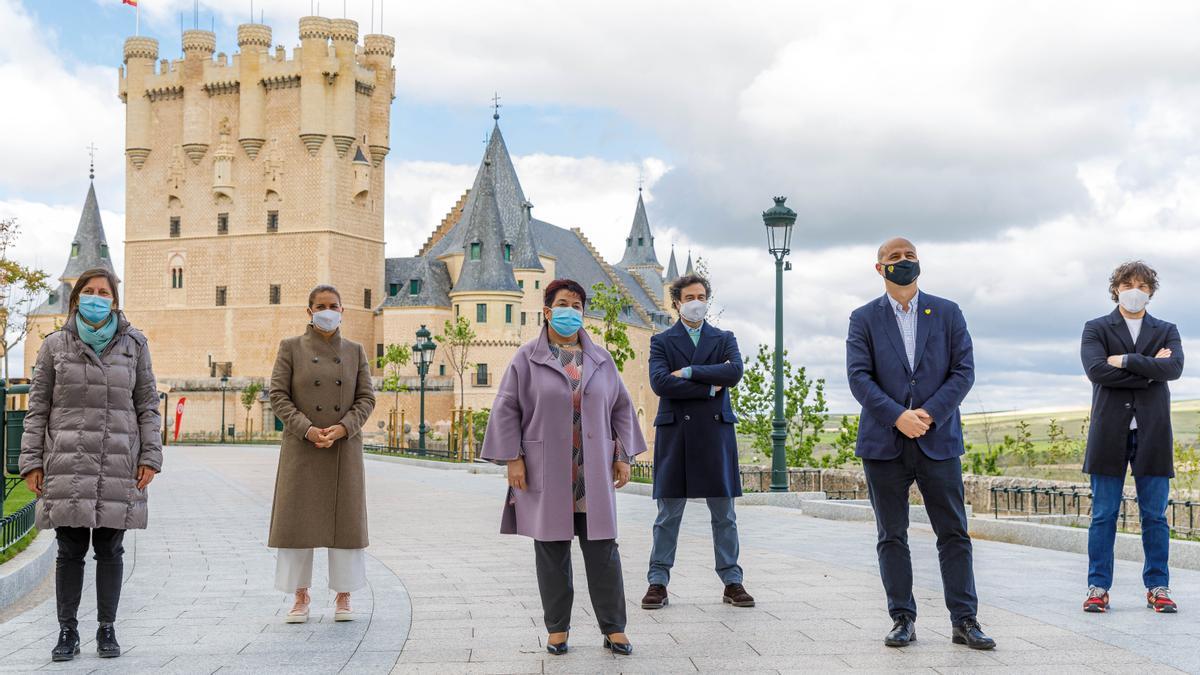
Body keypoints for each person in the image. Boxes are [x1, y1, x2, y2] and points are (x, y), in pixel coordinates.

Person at [481, 278, 646, 657]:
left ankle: (614, 628)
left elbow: (621, 408)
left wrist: (623, 454)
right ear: (547, 310)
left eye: (577, 304)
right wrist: (513, 459)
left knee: (603, 550)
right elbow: (507, 409)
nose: (571, 310)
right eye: (563, 303)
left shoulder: (602, 359)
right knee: (552, 550)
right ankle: (557, 629)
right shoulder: (526, 358)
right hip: (545, 470)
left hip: (593, 473)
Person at [845, 238, 995, 650]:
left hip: (938, 439)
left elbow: (963, 370)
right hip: (884, 443)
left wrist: (928, 414)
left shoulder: (947, 312)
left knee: (954, 534)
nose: (904, 262)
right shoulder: (863, 318)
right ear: (880, 269)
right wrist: (898, 415)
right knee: (891, 535)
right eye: (894, 258)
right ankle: (902, 618)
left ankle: (965, 620)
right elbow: (859, 377)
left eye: (910, 256)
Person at [20, 267, 163, 662]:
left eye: (103, 291)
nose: (96, 297)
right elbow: (37, 409)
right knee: (69, 550)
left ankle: (107, 628)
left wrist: (150, 455)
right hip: (69, 460)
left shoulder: (135, 345)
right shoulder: (54, 346)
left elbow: (147, 405)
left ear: (114, 300)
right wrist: (32, 461)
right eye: (89, 291)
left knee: (110, 549)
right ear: (76, 297)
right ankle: (67, 630)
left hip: (119, 460)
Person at [641, 274, 754, 611]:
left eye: (701, 295)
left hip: (715, 433)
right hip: (676, 434)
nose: (696, 301)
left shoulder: (724, 338)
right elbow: (661, 383)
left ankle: (732, 581)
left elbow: (733, 373)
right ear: (676, 303)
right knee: (667, 515)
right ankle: (657, 582)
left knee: (724, 514)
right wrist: (707, 386)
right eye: (689, 296)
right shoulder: (661, 341)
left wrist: (689, 372)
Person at [1080, 261, 1183, 614]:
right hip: (1109, 433)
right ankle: (1097, 587)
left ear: (1151, 291)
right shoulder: (1095, 328)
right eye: (1128, 284)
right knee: (1103, 515)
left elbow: (1174, 369)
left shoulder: (1167, 330)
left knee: (1155, 515)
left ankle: (1158, 586)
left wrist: (1124, 360)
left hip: (1153, 434)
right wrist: (1150, 370)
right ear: (1116, 289)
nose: (1134, 290)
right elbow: (1096, 370)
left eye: (1141, 284)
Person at [268, 284, 376, 623]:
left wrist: (344, 427)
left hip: (344, 448)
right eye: (320, 306)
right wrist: (307, 429)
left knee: (344, 524)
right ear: (309, 311)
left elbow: (367, 398)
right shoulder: (290, 348)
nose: (326, 311)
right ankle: (300, 595)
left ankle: (344, 595)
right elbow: (278, 395)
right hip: (303, 448)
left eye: (333, 305)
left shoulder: (356, 350)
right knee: (298, 524)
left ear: (342, 310)